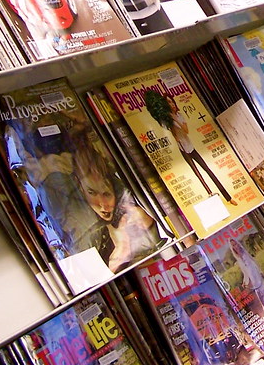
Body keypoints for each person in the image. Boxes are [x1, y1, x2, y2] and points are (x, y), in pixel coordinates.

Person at [71, 137, 161, 271]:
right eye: (92, 192)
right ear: (80, 187)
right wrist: (121, 250)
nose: (103, 205)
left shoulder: (131, 213)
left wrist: (150, 223)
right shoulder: (81, 230)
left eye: (107, 194)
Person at [143, 89, 237, 205]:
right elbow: (171, 132)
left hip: (190, 147)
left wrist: (174, 118)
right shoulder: (167, 119)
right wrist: (171, 125)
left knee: (207, 170)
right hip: (182, 149)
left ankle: (228, 197)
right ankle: (212, 197)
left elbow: (186, 130)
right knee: (197, 174)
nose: (171, 104)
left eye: (172, 102)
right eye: (168, 103)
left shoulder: (179, 115)